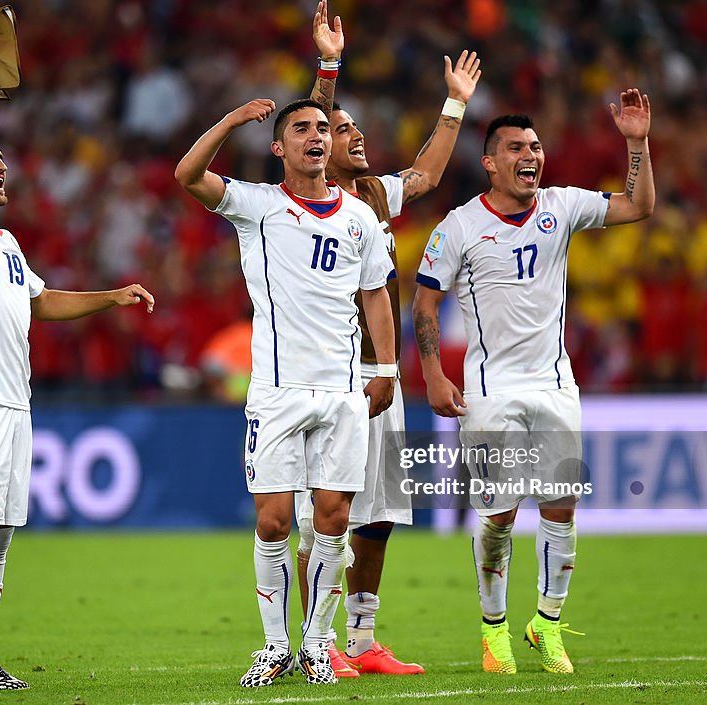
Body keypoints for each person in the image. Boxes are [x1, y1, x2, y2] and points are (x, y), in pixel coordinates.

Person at [0, 60, 154, 690]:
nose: (2, 166)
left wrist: (112, 295)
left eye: (2, 157)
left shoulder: (6, 242)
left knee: (0, 539)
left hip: (15, 403)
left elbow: (40, 303)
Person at [411, 90, 655, 675]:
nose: (531, 154)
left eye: (536, 146)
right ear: (490, 162)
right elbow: (423, 305)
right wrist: (433, 376)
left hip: (554, 384)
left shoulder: (562, 206)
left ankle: (545, 622)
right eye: (517, 147)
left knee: (562, 504)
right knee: (498, 513)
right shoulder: (460, 226)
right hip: (489, 389)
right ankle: (493, 629)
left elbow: (638, 206)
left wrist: (636, 142)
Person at [175, 93, 397, 687]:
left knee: (334, 518)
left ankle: (318, 647)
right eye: (300, 129)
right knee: (274, 523)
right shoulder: (258, 206)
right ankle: (274, 646)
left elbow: (376, 293)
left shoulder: (360, 219)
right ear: (279, 147)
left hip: (345, 389)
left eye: (322, 127)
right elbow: (187, 176)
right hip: (276, 390)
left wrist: (389, 369)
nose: (315, 136)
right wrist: (229, 121)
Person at [293, 0, 482, 679]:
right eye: (340, 130)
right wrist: (329, 68)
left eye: (353, 128)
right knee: (327, 510)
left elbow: (426, 174)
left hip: (381, 372)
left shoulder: (371, 193)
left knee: (378, 511)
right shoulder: (300, 202)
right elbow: (308, 119)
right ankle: (317, 641)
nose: (353, 136)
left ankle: (364, 637)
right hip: (323, 372)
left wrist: (454, 106)